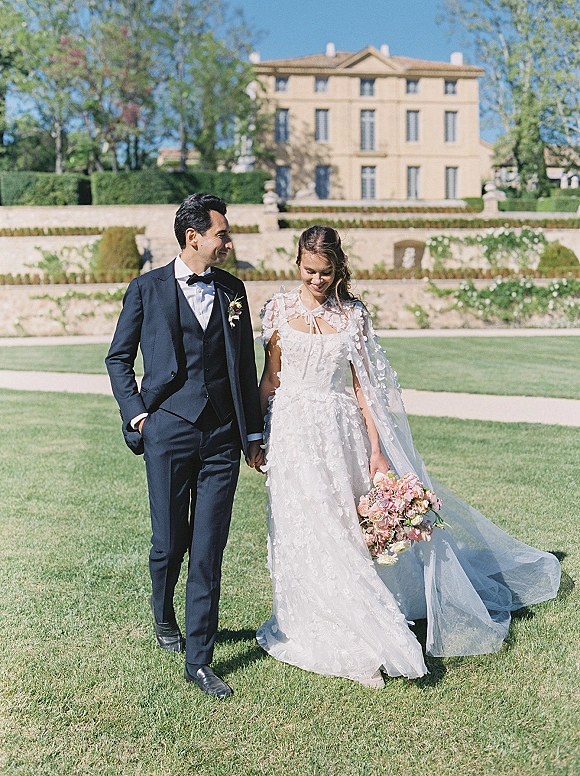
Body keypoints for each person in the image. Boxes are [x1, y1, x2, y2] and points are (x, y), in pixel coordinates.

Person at [256, 225, 560, 688]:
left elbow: (365, 391)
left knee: (344, 529)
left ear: (337, 268)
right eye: (308, 270)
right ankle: (310, 620)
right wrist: (257, 437)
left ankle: (364, 622)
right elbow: (270, 379)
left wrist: (377, 452)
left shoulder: (353, 315)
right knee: (302, 529)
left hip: (342, 434)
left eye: (325, 272)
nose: (316, 280)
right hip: (292, 434)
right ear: (297, 263)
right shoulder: (276, 309)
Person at [106, 193, 264, 700]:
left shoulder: (233, 290)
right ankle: (163, 614)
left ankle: (199, 658)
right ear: (193, 238)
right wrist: (140, 416)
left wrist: (252, 433)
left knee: (209, 548)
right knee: (170, 541)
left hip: (221, 436)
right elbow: (118, 359)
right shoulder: (146, 289)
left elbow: (243, 368)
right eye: (222, 233)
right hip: (168, 431)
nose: (229, 242)